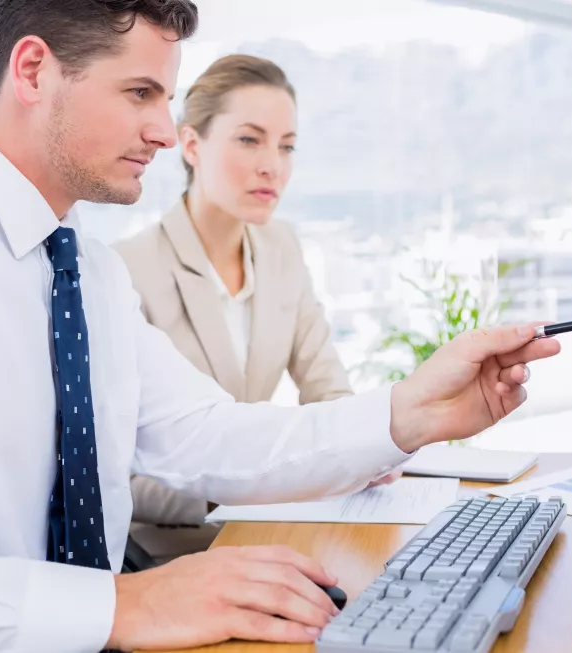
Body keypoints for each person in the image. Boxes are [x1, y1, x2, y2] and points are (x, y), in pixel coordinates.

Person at [0, 2, 560, 652]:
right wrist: (121, 604)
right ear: (33, 70)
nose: (164, 131)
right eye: (140, 93)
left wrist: (411, 411)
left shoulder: (88, 272)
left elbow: (207, 436)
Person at [115, 54, 398, 561]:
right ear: (191, 144)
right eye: (249, 139)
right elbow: (116, 477)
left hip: (279, 535)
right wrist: (241, 486)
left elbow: (328, 391)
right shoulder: (126, 272)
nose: (273, 165)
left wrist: (364, 451)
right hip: (179, 553)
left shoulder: (281, 247)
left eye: (286, 147)